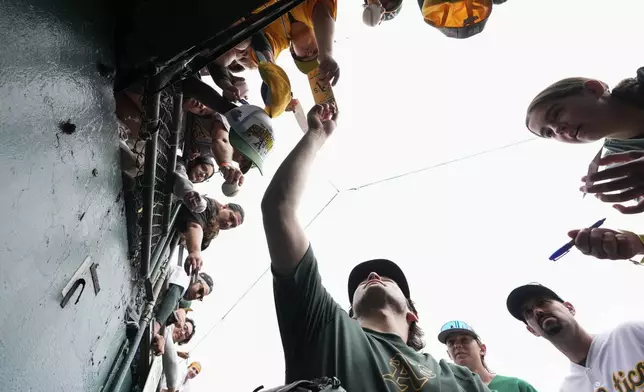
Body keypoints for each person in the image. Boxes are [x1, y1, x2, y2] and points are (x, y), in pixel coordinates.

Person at [260, 103, 490, 391]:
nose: (372, 277)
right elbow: (278, 209)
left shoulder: (459, 379)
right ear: (351, 313)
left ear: (412, 314)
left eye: (388, 278)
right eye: (363, 282)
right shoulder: (328, 328)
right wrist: (316, 136)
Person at [525, 67, 644, 214]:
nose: (557, 130)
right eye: (549, 133)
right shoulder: (625, 171)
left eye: (557, 113)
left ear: (593, 89)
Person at [506, 283, 644, 392]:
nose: (537, 311)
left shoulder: (630, 334)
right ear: (532, 331)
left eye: (542, 302)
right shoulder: (569, 388)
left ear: (569, 308)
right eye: (528, 312)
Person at [437, 321, 538, 392]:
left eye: (464, 340)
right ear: (449, 354)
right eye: (451, 342)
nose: (457, 345)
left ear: (482, 349)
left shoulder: (516, 386)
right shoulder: (444, 389)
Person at [176, 195, 245, 274]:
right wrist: (195, 252)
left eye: (232, 226)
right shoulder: (207, 205)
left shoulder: (211, 233)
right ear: (224, 207)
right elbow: (194, 226)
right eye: (231, 217)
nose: (228, 224)